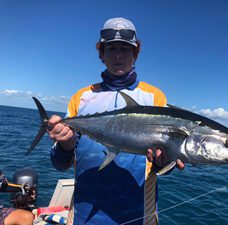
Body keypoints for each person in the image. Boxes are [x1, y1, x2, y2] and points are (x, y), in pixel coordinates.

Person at [48, 17, 185, 225]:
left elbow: (165, 163)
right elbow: (60, 163)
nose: (118, 55)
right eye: (111, 49)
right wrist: (65, 145)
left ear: (135, 54)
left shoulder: (155, 97)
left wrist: (164, 161)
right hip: (83, 215)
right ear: (101, 54)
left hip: (139, 215)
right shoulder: (82, 97)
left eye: (125, 49)